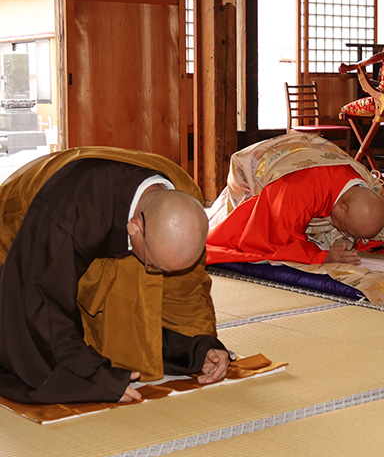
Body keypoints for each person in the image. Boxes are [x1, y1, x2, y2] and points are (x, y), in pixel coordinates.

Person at [0, 147, 229, 405]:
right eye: (157, 266)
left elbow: (188, 288)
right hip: (22, 230)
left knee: (137, 283)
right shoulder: (69, 210)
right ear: (134, 228)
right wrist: (93, 377)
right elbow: (39, 299)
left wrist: (202, 347)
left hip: (95, 226)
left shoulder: (184, 199)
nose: (162, 275)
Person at [206, 131, 384, 266]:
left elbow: (370, 217)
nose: (349, 234)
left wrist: (378, 241)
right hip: (255, 171)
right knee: (242, 230)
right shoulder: (296, 192)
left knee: (338, 236)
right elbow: (274, 241)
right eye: (348, 229)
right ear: (341, 207)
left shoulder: (363, 182)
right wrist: (322, 257)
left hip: (305, 158)